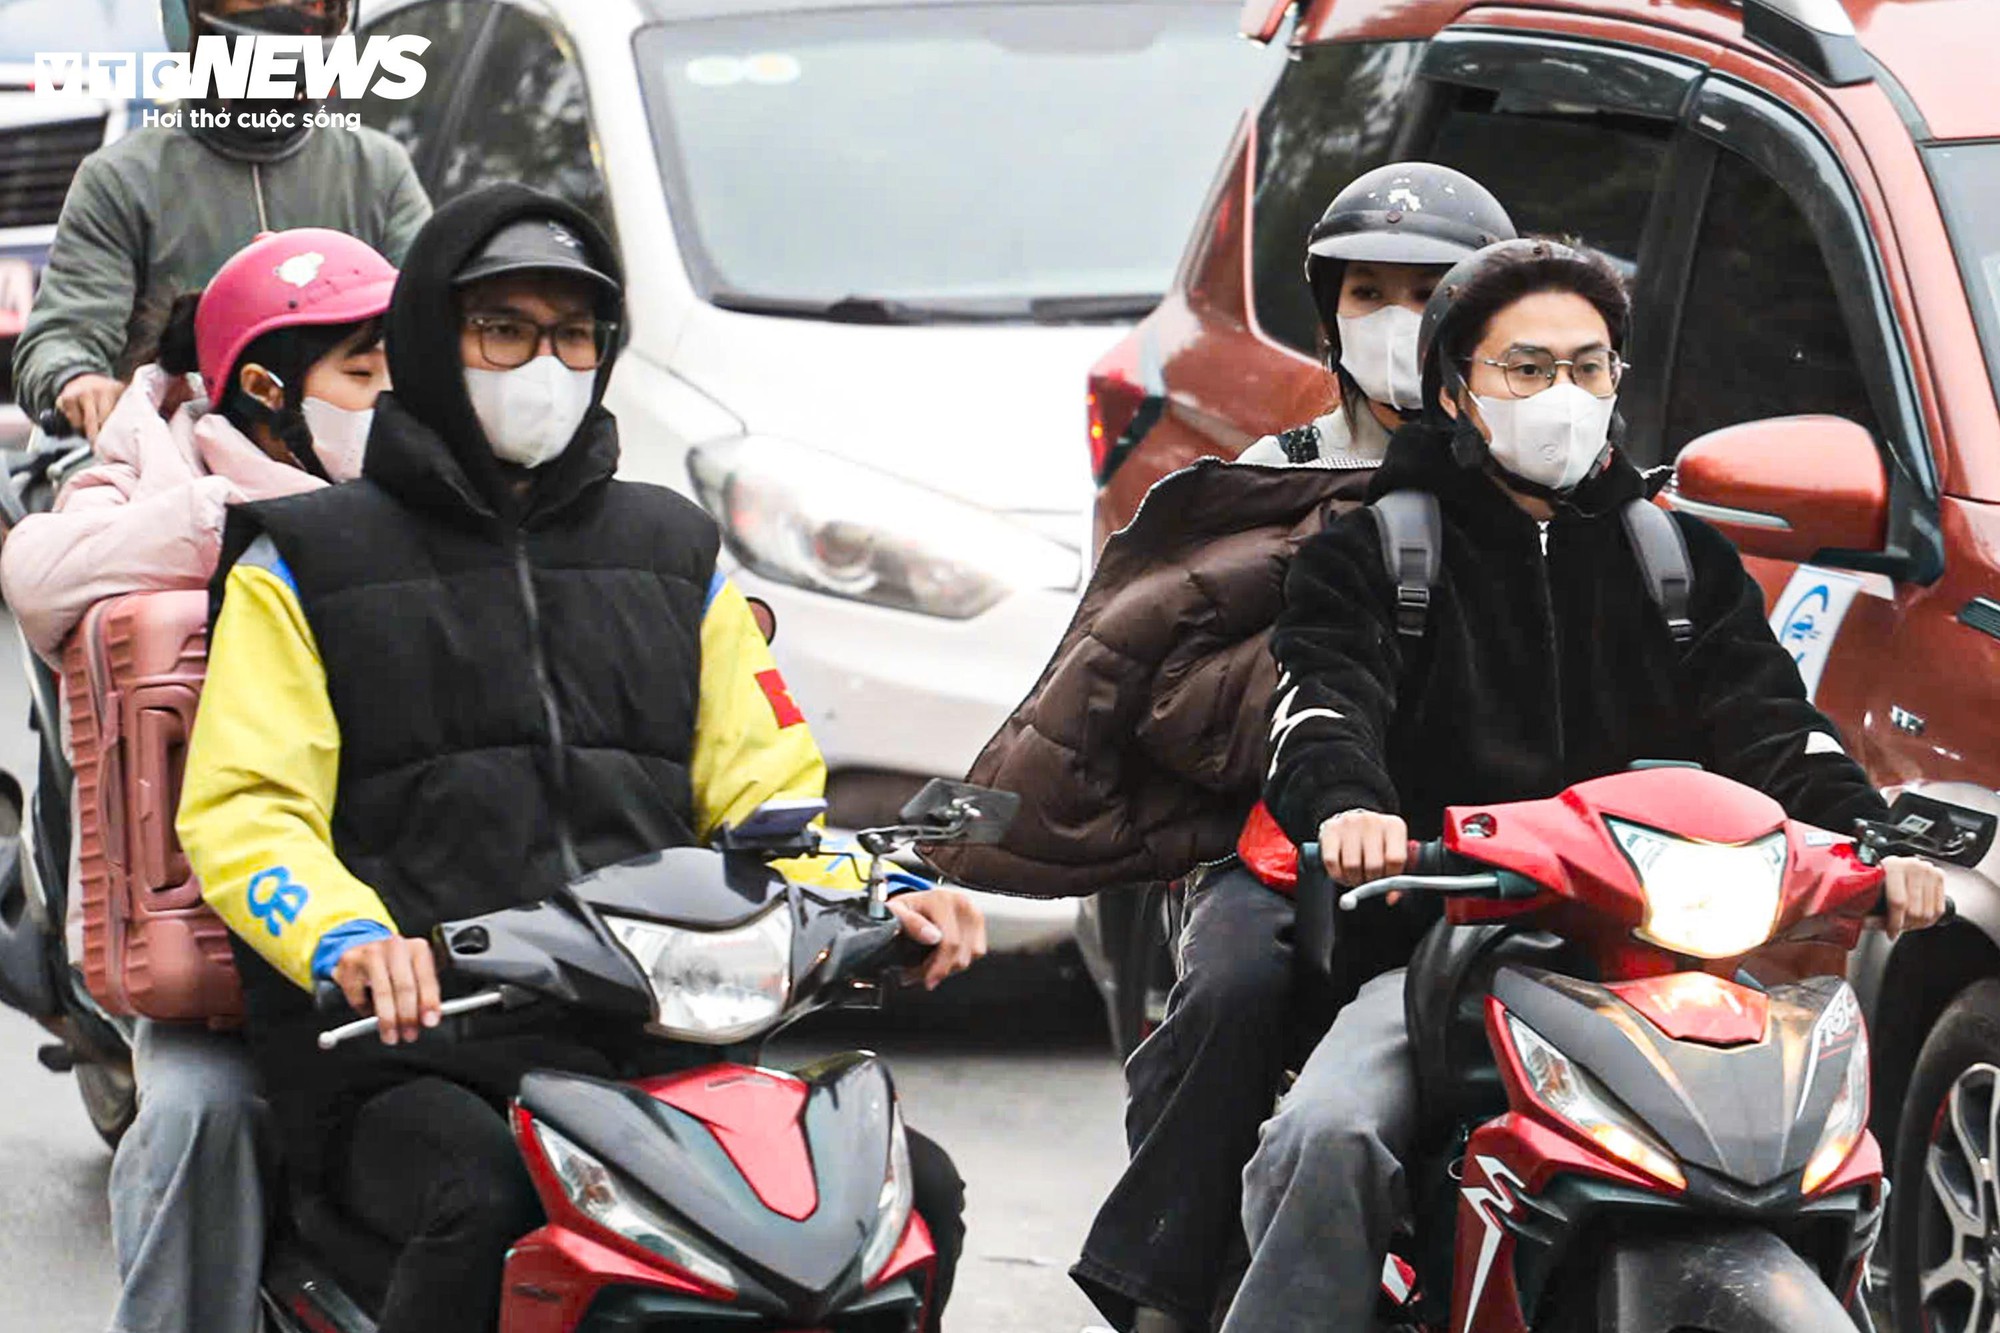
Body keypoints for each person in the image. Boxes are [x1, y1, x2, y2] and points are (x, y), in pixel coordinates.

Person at [175, 184, 986, 1333]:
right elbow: (248, 809)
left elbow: (767, 796)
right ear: (430, 339)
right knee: (484, 1198)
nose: (542, 366)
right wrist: (353, 943)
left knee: (908, 1192)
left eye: (571, 334)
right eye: (502, 329)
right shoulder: (306, 559)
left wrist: (882, 890)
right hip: (411, 1052)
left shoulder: (672, 550)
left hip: (660, 1040)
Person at [1219, 237, 1949, 1333]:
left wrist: (1873, 844)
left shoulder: (1679, 559)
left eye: (1588, 364)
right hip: (1449, 955)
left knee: (1828, 1147)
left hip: (1670, 963)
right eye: (1525, 368)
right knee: (1328, 1134)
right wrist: (1351, 807)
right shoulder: (1372, 554)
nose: (1562, 392)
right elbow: (1324, 705)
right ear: (1455, 392)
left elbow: (1777, 731)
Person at [926, 163, 1514, 1333]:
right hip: (1295, 848)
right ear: (1329, 317)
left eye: (1426, 291)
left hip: (1520, 853)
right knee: (1234, 983)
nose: (1396, 319)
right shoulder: (1267, 491)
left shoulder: (1564, 485)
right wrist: (1307, 712)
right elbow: (1165, 696)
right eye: (1367, 293)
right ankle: (1166, 1291)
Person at [0, 226, 396, 1333]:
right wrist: (254, 523)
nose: (391, 394)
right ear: (265, 387)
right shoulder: (153, 460)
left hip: (435, 924)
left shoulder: (444, 479)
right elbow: (39, 574)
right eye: (364, 370)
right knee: (194, 1112)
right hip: (232, 940)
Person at [12, 0, 428, 440]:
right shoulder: (122, 179)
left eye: (308, 2)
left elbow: (432, 318)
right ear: (187, 17)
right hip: (161, 454)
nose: (284, 16)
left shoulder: (376, 169)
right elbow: (64, 333)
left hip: (341, 453)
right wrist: (78, 380)